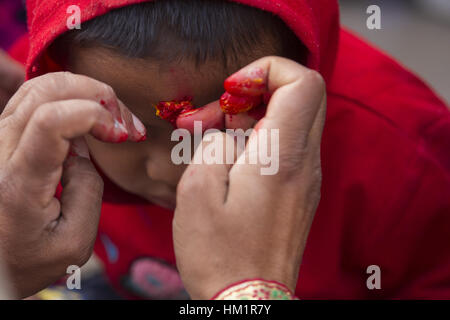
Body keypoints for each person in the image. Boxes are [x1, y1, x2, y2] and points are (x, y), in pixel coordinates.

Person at [1, 0, 450, 299]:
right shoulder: (45, 113)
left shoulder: (406, 154)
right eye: (120, 126)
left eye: (224, 124)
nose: (171, 169)